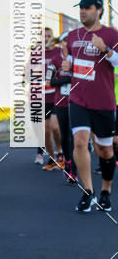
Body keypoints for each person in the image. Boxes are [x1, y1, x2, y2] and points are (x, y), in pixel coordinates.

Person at [62, 0, 118, 212]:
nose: (83, 11)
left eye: (87, 7)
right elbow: (74, 62)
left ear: (99, 10)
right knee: (79, 141)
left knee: (105, 151)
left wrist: (105, 49)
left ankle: (105, 190)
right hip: (78, 98)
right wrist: (68, 66)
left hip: (103, 102)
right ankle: (88, 192)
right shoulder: (73, 35)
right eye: (81, 7)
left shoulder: (111, 34)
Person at [50, 33, 76, 183]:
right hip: (61, 102)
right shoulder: (55, 60)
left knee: (75, 137)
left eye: (69, 40)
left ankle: (74, 169)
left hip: (78, 102)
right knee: (65, 135)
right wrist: (68, 78)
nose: (67, 43)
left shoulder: (78, 58)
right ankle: (68, 163)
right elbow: (49, 82)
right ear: (61, 43)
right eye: (65, 40)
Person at [42, 28, 63, 170]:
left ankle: (60, 152)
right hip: (41, 97)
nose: (46, 38)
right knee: (46, 130)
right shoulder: (36, 53)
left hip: (56, 95)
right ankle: (51, 158)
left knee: (55, 127)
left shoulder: (58, 52)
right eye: (44, 36)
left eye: (49, 36)